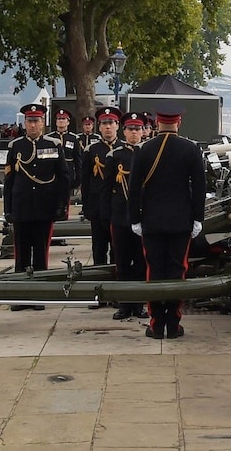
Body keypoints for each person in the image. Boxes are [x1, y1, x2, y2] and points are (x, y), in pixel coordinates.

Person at [127, 102, 206, 339]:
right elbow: (199, 188)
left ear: (157, 122)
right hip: (181, 221)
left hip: (151, 221)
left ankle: (156, 323)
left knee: (154, 271)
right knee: (177, 270)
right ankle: (173, 323)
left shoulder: (143, 149)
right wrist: (197, 219)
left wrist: (135, 220)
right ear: (178, 122)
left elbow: (133, 190)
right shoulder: (191, 149)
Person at [2, 102, 72, 310]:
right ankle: (20, 295)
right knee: (21, 253)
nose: (33, 125)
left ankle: (40, 294)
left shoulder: (53, 145)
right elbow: (9, 180)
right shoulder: (15, 146)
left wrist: (62, 205)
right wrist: (8, 208)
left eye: (37, 120)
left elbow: (63, 177)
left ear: (43, 122)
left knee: (41, 253)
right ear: (24, 123)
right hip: (22, 206)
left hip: (44, 205)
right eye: (30, 121)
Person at [105, 114, 148, 321]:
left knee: (141, 262)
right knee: (121, 261)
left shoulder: (149, 153)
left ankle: (139, 303)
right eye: (130, 129)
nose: (134, 133)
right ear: (124, 131)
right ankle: (124, 304)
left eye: (137, 129)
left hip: (143, 216)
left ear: (143, 131)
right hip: (120, 215)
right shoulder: (115, 156)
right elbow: (106, 188)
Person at [79, 107, 120, 272]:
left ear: (117, 125)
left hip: (118, 207)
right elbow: (86, 181)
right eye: (104, 123)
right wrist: (86, 206)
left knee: (118, 250)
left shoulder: (124, 149)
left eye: (111, 123)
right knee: (99, 249)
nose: (108, 127)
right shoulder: (91, 151)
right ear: (99, 127)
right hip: (97, 207)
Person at [45, 108, 80, 220]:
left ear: (68, 122)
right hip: (53, 174)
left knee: (65, 200)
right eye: (59, 119)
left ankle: (64, 219)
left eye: (63, 119)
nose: (61, 121)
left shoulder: (74, 138)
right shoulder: (49, 138)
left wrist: (78, 178)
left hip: (68, 174)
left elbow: (78, 159)